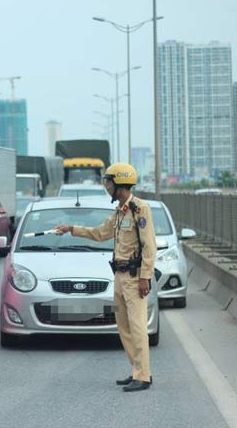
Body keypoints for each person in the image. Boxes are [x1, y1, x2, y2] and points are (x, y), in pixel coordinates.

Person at [55, 163, 156, 392]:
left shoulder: (140, 209)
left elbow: (149, 246)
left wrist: (144, 277)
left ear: (119, 183)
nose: (107, 186)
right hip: (119, 277)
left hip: (133, 277)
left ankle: (143, 376)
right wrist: (72, 228)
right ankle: (137, 371)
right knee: (123, 326)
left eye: (109, 182)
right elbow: (100, 233)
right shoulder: (119, 212)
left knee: (138, 327)